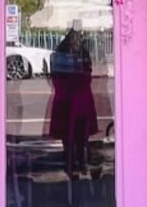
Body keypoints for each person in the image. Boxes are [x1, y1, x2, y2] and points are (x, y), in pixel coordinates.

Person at [49, 20, 99, 177]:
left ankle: (77, 160)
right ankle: (72, 160)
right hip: (72, 95)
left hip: (77, 95)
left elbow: (87, 70)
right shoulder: (66, 51)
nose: (77, 38)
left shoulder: (75, 51)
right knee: (70, 129)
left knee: (78, 129)